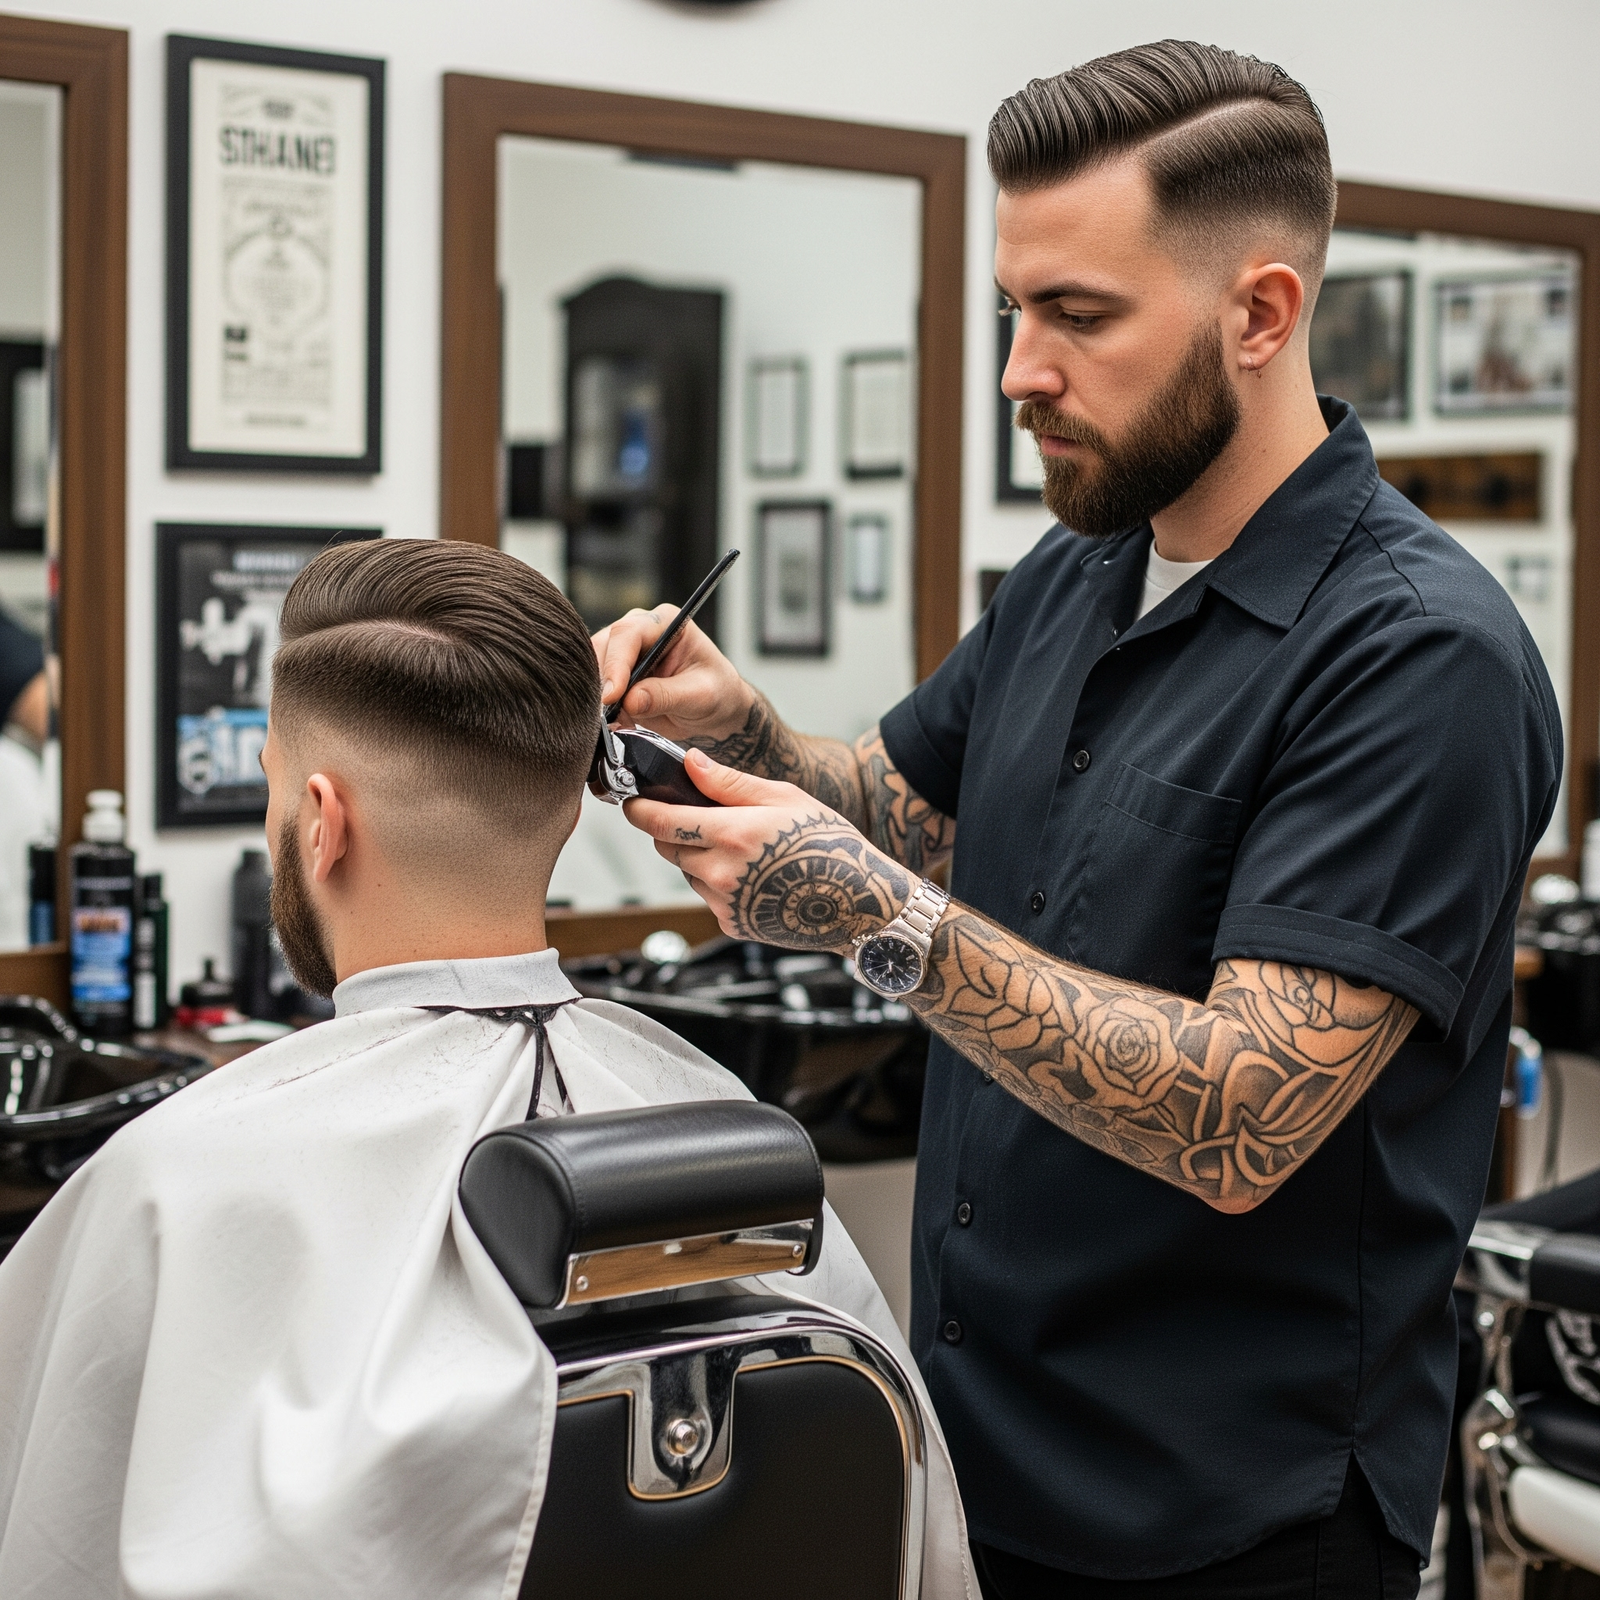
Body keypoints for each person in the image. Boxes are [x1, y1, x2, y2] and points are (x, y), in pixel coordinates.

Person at [596, 40, 1561, 1600]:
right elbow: (906, 811)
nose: (1018, 373)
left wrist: (874, 925)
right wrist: (746, 733)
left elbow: (1243, 1115)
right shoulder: (1079, 570)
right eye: (1014, 311)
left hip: (1233, 1516)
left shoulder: (1416, 658)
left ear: (1260, 313)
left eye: (1079, 317)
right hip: (982, 1448)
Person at [0, 539, 974, 1600]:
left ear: (321, 822)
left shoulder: (172, 1179)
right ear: (574, 804)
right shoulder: (716, 1127)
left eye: (277, 797)